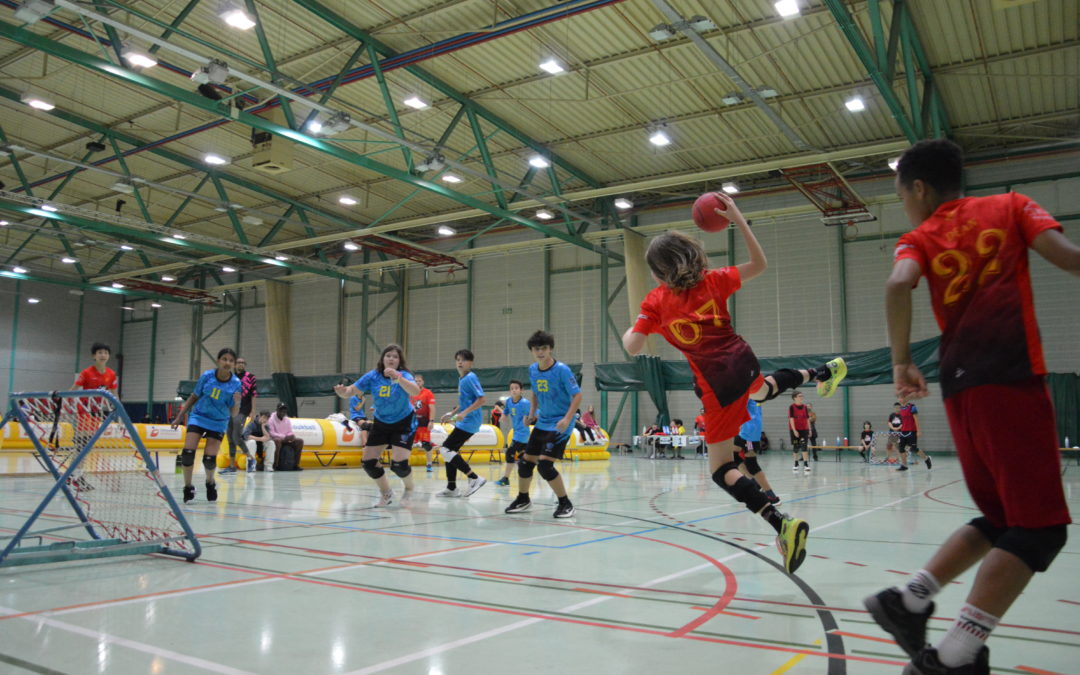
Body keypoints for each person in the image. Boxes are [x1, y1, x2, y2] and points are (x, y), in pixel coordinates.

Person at [864, 138, 1077, 675]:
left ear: (918, 187)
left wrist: (899, 363)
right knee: (1040, 529)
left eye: (901, 195)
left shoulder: (918, 237)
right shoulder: (1011, 207)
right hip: (1010, 380)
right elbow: (1069, 258)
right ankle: (955, 654)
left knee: (1002, 518)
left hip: (958, 385)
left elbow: (898, 284)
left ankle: (909, 600)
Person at [621, 195, 848, 574]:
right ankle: (822, 372)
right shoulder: (715, 280)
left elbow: (632, 345)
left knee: (720, 468)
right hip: (744, 359)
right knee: (760, 390)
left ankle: (782, 524)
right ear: (693, 255)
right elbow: (760, 263)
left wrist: (638, 326)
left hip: (717, 386)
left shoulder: (656, 302)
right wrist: (739, 219)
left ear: (659, 273)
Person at [504, 330, 582, 518]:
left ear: (550, 349)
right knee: (524, 463)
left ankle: (566, 503)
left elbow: (577, 395)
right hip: (543, 421)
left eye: (544, 348)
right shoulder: (532, 370)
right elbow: (536, 392)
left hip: (560, 423)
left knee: (545, 466)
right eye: (537, 349)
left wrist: (566, 418)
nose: (541, 352)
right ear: (532, 350)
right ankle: (523, 499)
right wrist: (532, 414)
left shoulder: (562, 370)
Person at [333, 344, 421, 506]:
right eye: (388, 356)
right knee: (368, 462)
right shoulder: (372, 376)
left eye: (395, 356)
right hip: (381, 422)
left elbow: (415, 392)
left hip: (404, 421)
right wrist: (342, 393)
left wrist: (398, 378)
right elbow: (351, 390)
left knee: (399, 465)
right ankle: (386, 493)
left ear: (399, 361)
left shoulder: (405, 375)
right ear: (383, 359)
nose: (391, 359)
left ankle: (409, 488)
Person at [170, 347, 241, 503]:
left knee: (209, 459)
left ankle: (210, 482)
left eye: (231, 360)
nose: (227, 363)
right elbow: (193, 397)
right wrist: (179, 417)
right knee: (187, 454)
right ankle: (188, 487)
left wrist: (237, 401)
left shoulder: (236, 383)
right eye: (224, 359)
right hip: (199, 416)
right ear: (218, 361)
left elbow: (234, 413)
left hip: (218, 421)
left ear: (234, 364)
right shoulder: (207, 376)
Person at [434, 349, 488, 498]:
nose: (460, 362)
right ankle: (451, 488)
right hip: (465, 420)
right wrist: (452, 413)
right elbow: (465, 402)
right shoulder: (462, 379)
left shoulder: (470, 377)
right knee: (449, 453)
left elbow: (482, 399)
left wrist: (463, 414)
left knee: (445, 449)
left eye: (463, 359)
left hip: (470, 421)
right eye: (457, 359)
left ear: (470, 363)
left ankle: (474, 478)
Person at [735, 399, 779, 504]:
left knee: (752, 464)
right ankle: (753, 481)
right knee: (733, 455)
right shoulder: (757, 394)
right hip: (750, 431)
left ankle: (771, 495)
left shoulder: (747, 392)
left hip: (748, 432)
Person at [223, 356, 257, 474]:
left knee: (237, 437)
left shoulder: (251, 377)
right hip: (230, 410)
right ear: (234, 365)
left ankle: (251, 459)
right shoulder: (229, 378)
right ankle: (232, 466)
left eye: (243, 362)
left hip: (243, 410)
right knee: (230, 438)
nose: (241, 364)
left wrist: (253, 410)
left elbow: (253, 395)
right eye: (239, 363)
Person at [496, 380, 531, 486]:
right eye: (512, 388)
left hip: (523, 433)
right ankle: (528, 472)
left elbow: (527, 420)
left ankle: (505, 478)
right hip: (516, 432)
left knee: (509, 453)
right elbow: (506, 411)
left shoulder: (525, 403)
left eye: (516, 388)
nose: (514, 390)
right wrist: (503, 416)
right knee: (522, 457)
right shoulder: (509, 401)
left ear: (521, 390)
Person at [409, 374, 437, 472]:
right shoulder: (410, 393)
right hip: (411, 424)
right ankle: (404, 465)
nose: (417, 383)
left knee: (426, 445)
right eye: (415, 381)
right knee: (406, 444)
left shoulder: (428, 393)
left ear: (423, 382)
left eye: (419, 381)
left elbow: (432, 408)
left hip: (424, 424)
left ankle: (429, 464)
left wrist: (431, 421)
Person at [897, 398, 932, 471]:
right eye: (898, 397)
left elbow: (916, 419)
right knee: (901, 448)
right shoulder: (901, 409)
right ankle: (904, 465)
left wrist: (918, 430)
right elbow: (903, 421)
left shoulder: (912, 407)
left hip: (912, 431)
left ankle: (927, 458)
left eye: (901, 397)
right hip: (903, 432)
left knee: (913, 449)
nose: (899, 399)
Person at [267, 402, 304, 471]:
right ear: (277, 410)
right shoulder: (271, 419)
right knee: (277, 441)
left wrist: (291, 436)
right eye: (281, 410)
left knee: (300, 441)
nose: (283, 412)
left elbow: (290, 431)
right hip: (276, 439)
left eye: (284, 411)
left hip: (286, 439)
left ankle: (295, 465)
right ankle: (275, 465)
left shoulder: (287, 419)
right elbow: (272, 433)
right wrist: (284, 437)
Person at [789, 392, 812, 474]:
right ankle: (796, 463)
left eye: (802, 395)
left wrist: (810, 430)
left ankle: (806, 464)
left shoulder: (805, 407)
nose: (801, 397)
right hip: (795, 430)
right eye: (799, 396)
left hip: (804, 430)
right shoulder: (792, 407)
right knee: (796, 447)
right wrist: (794, 430)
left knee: (804, 446)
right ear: (794, 398)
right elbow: (791, 419)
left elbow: (807, 419)